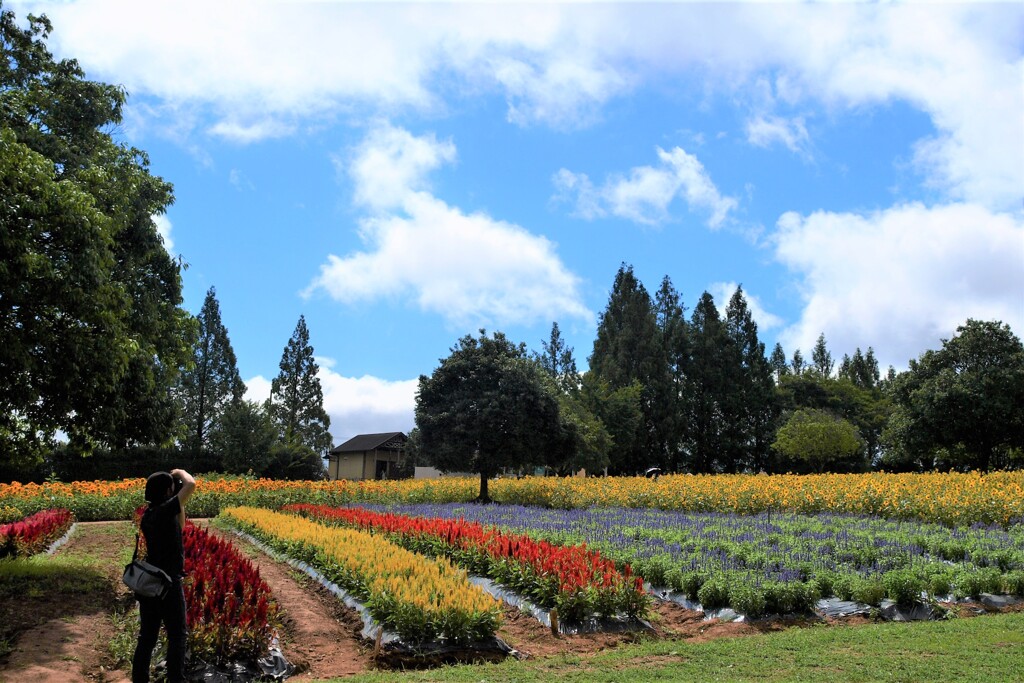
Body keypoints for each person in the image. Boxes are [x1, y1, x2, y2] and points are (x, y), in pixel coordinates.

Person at [132, 468, 196, 683]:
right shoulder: (164, 511)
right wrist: (180, 473)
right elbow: (191, 484)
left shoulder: (149, 514)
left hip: (150, 583)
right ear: (167, 491)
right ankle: (175, 680)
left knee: (147, 637)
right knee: (177, 635)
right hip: (169, 583)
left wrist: (177, 500)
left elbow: (181, 525)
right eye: (171, 487)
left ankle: (139, 679)